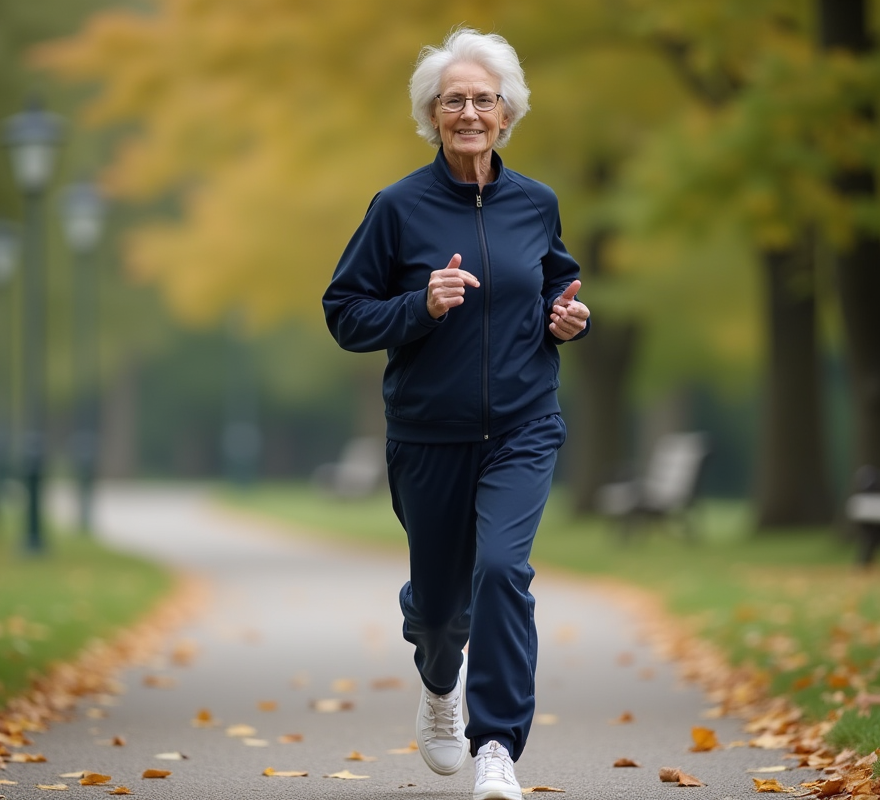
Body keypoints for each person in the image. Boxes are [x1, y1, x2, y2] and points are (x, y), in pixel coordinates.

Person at [322, 26, 590, 800]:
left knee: (502, 571)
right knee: (440, 614)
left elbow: (557, 286)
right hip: (429, 436)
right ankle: (440, 683)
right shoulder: (397, 209)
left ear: (507, 113)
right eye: (452, 101)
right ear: (432, 115)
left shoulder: (536, 203)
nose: (469, 113)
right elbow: (345, 313)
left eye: (482, 100)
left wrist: (568, 319)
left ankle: (497, 744)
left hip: (523, 426)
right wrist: (420, 305)